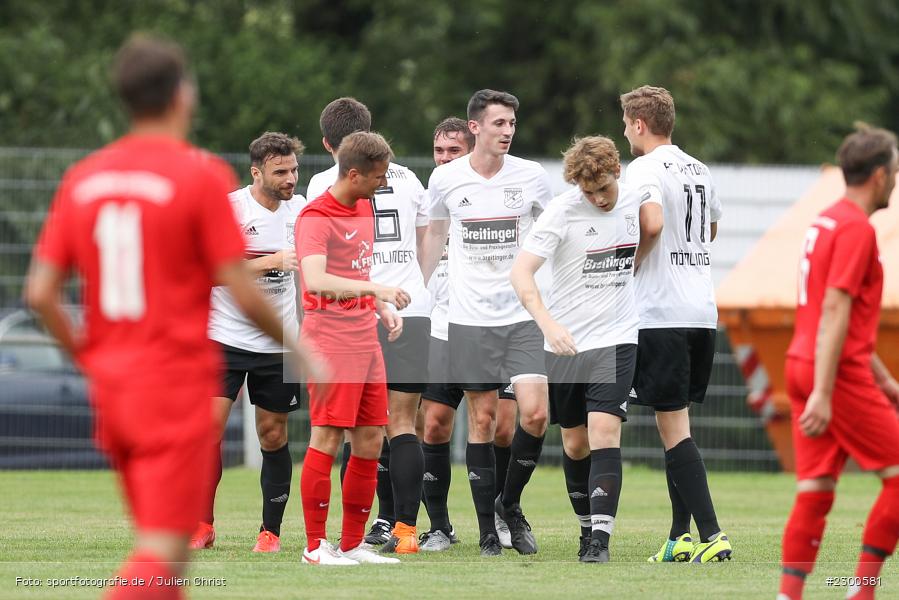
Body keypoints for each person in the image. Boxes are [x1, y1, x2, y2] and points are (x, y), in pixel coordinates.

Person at [25, 34, 323, 599]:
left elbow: (40, 293)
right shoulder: (198, 176)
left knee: (162, 549)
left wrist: (89, 357)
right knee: (161, 557)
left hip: (114, 388)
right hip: (174, 378)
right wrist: (302, 348)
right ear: (182, 95)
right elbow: (238, 280)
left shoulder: (84, 177)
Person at [421, 89, 553, 556]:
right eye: (499, 123)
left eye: (512, 123)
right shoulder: (446, 179)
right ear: (475, 127)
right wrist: (421, 296)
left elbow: (552, 231)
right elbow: (435, 234)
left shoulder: (532, 177)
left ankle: (508, 505)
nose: (508, 131)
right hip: (469, 319)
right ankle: (485, 535)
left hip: (520, 315)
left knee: (536, 414)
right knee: (482, 419)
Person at [778, 125, 899, 600]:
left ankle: (789, 596)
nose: (895, 181)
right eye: (894, 172)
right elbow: (834, 309)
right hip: (835, 375)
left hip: (802, 362)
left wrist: (885, 380)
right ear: (877, 175)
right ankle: (862, 590)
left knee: (816, 489)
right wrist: (827, 392)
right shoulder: (856, 229)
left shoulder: (824, 220)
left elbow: (835, 319)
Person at [306, 97, 431, 554]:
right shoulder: (405, 179)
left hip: (363, 318)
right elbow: (425, 238)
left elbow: (340, 268)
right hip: (375, 319)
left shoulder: (342, 193)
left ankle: (352, 539)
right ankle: (370, 535)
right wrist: (395, 287)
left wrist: (378, 298)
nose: (381, 182)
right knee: (385, 426)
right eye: (377, 176)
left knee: (357, 433)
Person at [511, 135, 640, 564]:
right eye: (588, 192)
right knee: (574, 444)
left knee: (605, 432)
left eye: (603, 188)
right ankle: (586, 529)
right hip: (566, 345)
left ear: (616, 171)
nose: (597, 199)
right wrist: (548, 325)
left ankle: (600, 541)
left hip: (617, 338)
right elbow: (521, 274)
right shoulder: (562, 212)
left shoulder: (638, 198)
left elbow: (656, 230)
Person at [619, 85, 732, 563]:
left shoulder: (643, 168)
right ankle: (677, 537)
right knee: (678, 424)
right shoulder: (699, 169)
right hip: (701, 312)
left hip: (661, 312)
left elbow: (652, 224)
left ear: (640, 124)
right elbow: (710, 226)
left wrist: (632, 265)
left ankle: (712, 535)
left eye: (626, 124)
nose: (624, 132)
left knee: (673, 429)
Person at [190, 132, 305, 553]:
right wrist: (269, 262)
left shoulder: (303, 211)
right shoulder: (230, 209)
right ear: (256, 172)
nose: (291, 178)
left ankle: (269, 532)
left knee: (273, 436)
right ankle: (202, 525)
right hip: (223, 338)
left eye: (294, 169)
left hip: (279, 345)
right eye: (281, 172)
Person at [419, 117, 519, 551]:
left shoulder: (494, 196)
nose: (443, 160)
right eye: (438, 151)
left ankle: (501, 512)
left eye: (452, 151)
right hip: (443, 328)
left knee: (503, 426)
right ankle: (441, 526)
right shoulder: (432, 197)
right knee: (435, 423)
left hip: (496, 327)